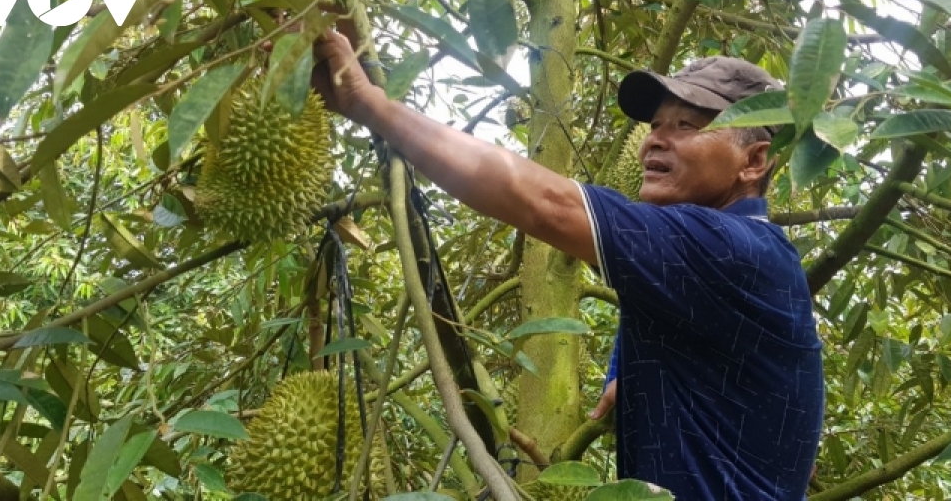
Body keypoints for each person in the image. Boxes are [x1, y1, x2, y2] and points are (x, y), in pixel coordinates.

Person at [311, 28, 824, 500]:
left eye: (686, 125)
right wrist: (631, 370)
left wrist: (368, 104)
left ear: (753, 161)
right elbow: (667, 302)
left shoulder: (732, 249)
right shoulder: (712, 264)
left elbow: (545, 204)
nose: (654, 139)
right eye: (655, 125)